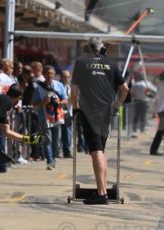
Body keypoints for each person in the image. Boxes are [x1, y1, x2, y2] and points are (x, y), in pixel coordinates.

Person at [71, 37, 129, 205]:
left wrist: (75, 108)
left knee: (95, 151)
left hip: (90, 111)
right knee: (100, 150)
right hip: (106, 112)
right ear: (101, 49)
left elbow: (74, 90)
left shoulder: (81, 63)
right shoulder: (111, 63)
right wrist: (116, 106)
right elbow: (124, 89)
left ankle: (102, 193)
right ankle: (101, 188)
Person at [59, 71, 73, 158]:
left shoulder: (69, 87)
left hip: (68, 112)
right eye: (65, 77)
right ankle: (57, 151)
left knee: (68, 133)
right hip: (59, 112)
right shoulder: (58, 86)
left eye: (68, 77)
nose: (67, 79)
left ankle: (67, 152)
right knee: (59, 133)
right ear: (61, 77)